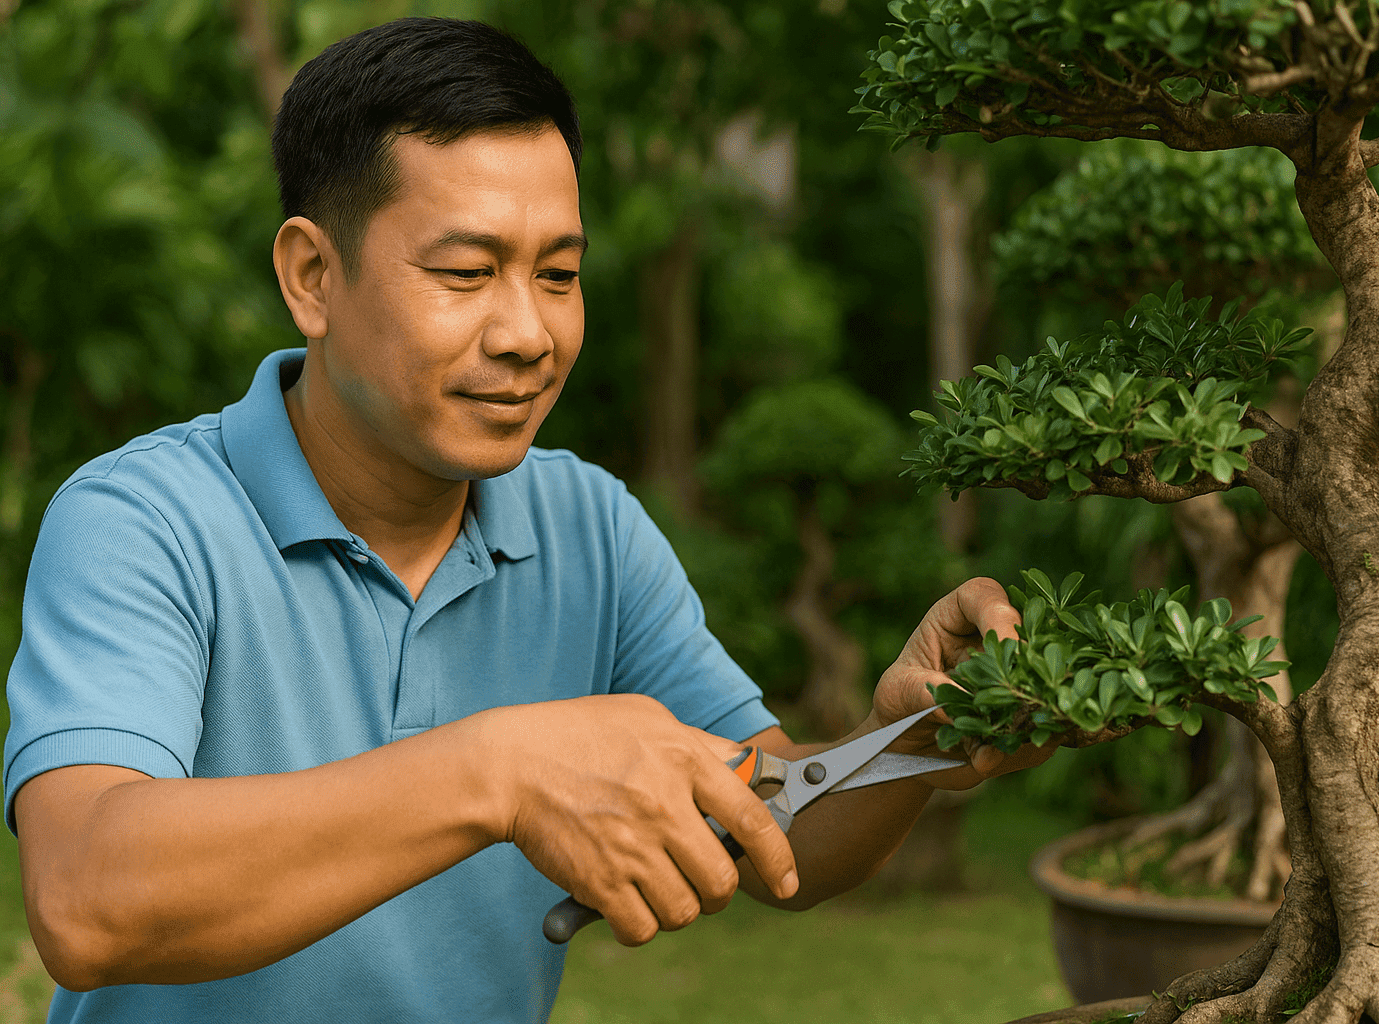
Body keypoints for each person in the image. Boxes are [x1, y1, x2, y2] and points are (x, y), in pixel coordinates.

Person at [3, 16, 1053, 1024]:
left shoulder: (585, 522)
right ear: (313, 276)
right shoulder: (143, 519)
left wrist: (905, 741)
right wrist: (499, 772)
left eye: (559, 275)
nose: (526, 333)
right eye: (465, 273)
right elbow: (88, 898)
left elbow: (770, 821)